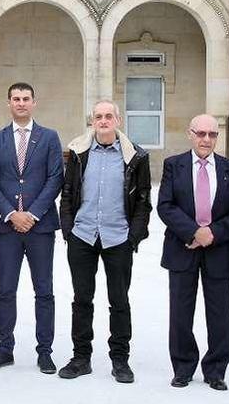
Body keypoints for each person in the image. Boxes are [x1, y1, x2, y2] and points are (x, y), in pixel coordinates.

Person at [58, 99, 151, 383]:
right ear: (92, 121)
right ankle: (81, 358)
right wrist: (68, 231)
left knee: (119, 301)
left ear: (118, 121)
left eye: (108, 116)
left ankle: (120, 360)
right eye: (98, 116)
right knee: (81, 300)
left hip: (118, 238)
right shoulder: (78, 153)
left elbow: (143, 201)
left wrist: (133, 238)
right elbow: (67, 193)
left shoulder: (136, 156)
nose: (103, 121)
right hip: (83, 235)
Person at [157, 114, 229, 391]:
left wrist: (212, 233)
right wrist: (194, 232)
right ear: (190, 134)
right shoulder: (173, 165)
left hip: (219, 250)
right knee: (180, 313)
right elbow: (165, 205)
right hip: (182, 247)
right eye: (201, 133)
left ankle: (216, 370)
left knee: (220, 314)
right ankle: (183, 367)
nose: (206, 139)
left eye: (212, 134)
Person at [0, 82, 63, 375]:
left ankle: (45, 352)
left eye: (26, 98)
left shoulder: (49, 137)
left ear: (33, 102)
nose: (21, 103)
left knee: (44, 291)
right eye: (15, 99)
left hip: (40, 227)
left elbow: (55, 178)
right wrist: (11, 214)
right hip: (6, 228)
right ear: (9, 103)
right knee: (5, 290)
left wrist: (32, 214)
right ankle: (5, 349)